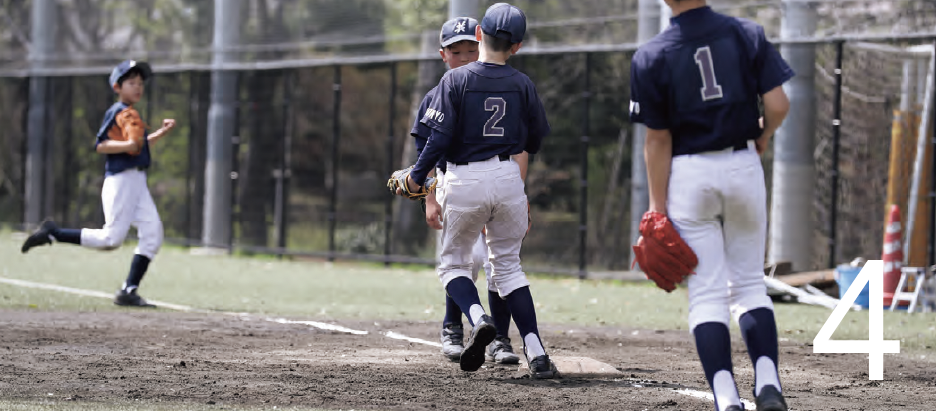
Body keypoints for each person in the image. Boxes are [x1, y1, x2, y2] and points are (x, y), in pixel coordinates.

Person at [629, 0, 793, 410]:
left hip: (688, 174)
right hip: (742, 163)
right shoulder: (745, 33)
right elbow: (778, 105)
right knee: (750, 285)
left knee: (707, 295)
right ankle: (769, 384)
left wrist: (656, 206)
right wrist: (765, 134)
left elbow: (657, 140)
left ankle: (725, 397)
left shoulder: (650, 55)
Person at [405, 2, 556, 378]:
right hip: (507, 177)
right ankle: (536, 352)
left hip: (464, 177)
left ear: (479, 36)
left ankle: (477, 318)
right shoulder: (522, 83)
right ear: (517, 46)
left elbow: (436, 140)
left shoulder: (455, 80)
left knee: (455, 264)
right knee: (507, 268)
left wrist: (416, 176)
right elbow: (534, 139)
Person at [21, 59, 176, 308]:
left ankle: (128, 290)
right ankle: (53, 233)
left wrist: (159, 133)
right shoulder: (118, 112)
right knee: (110, 240)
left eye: (140, 83)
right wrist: (129, 145)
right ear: (117, 86)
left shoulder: (132, 114)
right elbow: (100, 145)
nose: (138, 87)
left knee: (153, 234)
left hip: (137, 181)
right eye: (131, 82)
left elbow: (140, 147)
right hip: (121, 181)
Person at [411, 16, 520, 365]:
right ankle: (452, 327)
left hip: (498, 184)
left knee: (493, 261)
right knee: (463, 260)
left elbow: (520, 147)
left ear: (482, 46)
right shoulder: (438, 93)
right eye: (456, 52)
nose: (464, 57)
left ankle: (499, 337)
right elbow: (426, 152)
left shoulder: (499, 86)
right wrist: (429, 198)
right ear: (443, 55)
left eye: (471, 50)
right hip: (452, 183)